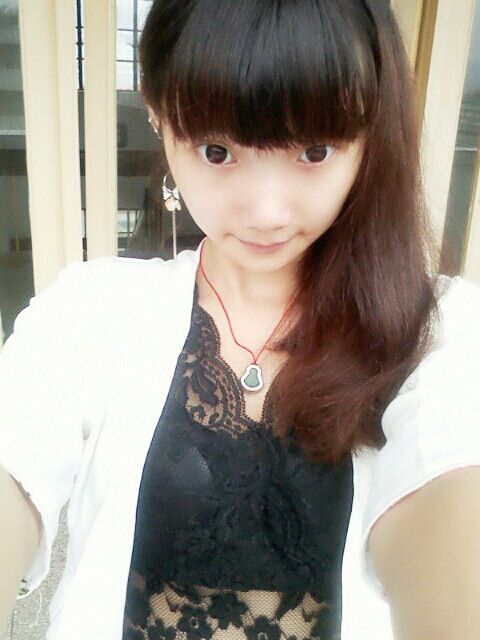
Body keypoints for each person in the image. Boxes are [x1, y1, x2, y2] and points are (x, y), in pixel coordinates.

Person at [1, 1, 480, 639]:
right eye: (217, 151)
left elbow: (452, 487)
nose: (266, 211)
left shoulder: (435, 331)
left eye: (314, 150)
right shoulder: (94, 310)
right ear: (158, 117)